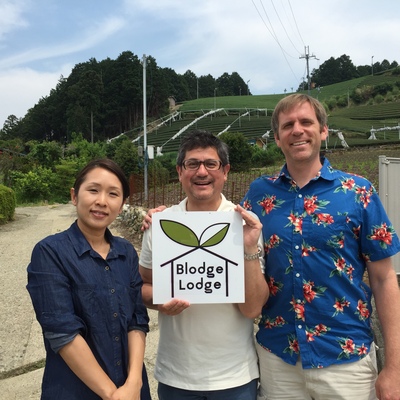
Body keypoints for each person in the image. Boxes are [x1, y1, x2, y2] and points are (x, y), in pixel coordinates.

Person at [241, 93, 400, 400]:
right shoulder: (259, 194)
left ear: (323, 130)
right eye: (287, 125)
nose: (297, 130)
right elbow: (219, 225)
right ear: (277, 138)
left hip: (346, 360)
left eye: (306, 122)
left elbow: (384, 279)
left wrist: (395, 367)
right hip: (279, 360)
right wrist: (162, 220)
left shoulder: (358, 192)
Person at [139, 129, 269, 400]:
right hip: (176, 375)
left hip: (235, 377)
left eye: (211, 164)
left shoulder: (245, 225)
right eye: (192, 164)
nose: (201, 172)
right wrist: (160, 302)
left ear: (225, 171)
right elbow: (143, 286)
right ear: (179, 171)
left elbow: (252, 308)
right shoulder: (161, 225)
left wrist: (248, 248)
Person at [26, 158, 151, 400]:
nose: (102, 201)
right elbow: (63, 332)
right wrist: (112, 394)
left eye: (113, 194)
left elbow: (137, 320)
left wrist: (135, 382)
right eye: (93, 190)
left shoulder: (126, 251)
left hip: (131, 390)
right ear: (75, 196)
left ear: (122, 205)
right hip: (74, 391)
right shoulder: (50, 252)